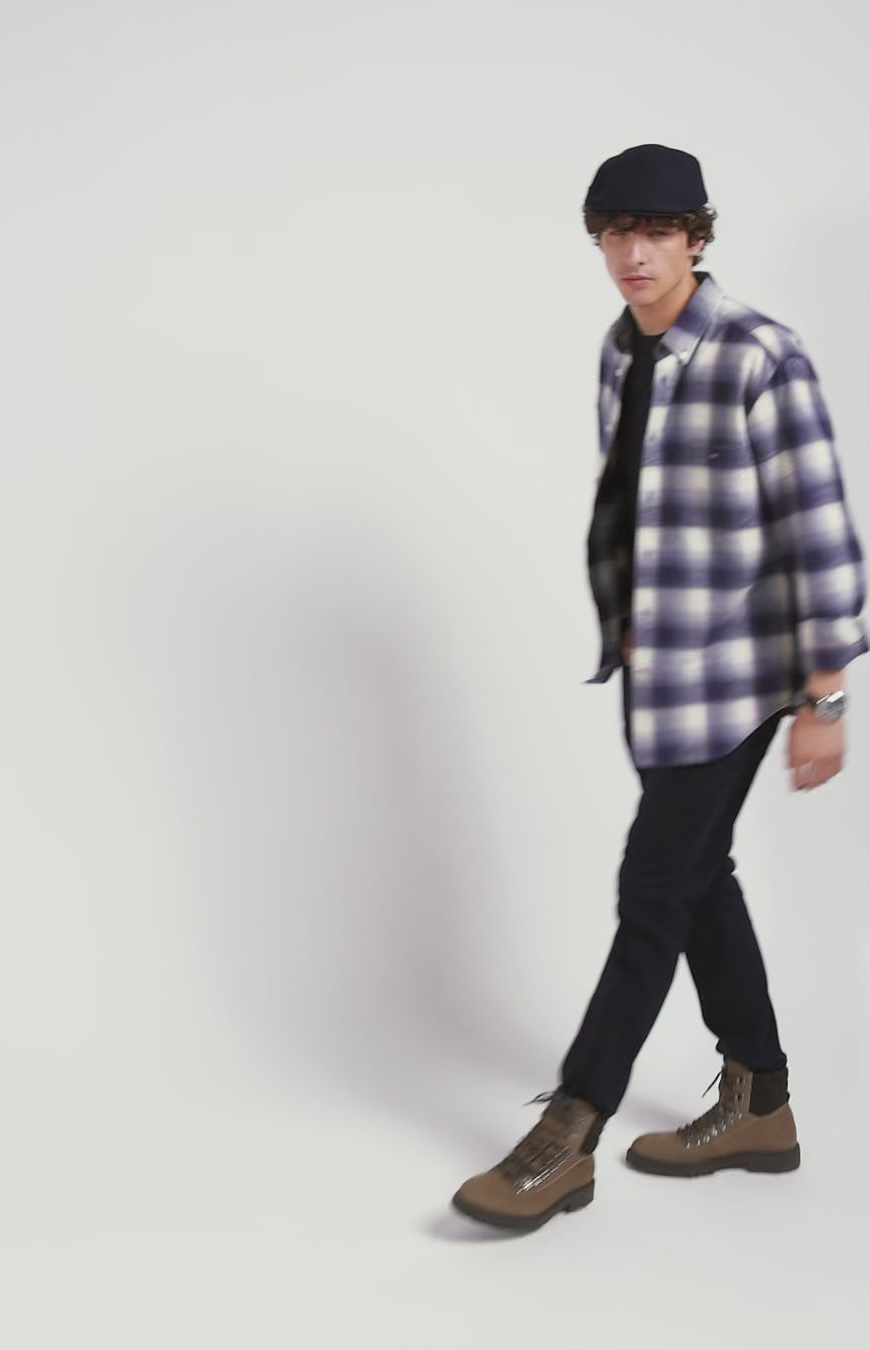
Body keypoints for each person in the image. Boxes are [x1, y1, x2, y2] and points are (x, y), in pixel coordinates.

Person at [451, 143, 869, 1233]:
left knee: (650, 895)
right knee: (696, 876)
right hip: (661, 677)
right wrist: (632, 620)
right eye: (615, 233)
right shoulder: (619, 351)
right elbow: (632, 503)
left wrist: (825, 700)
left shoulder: (760, 354)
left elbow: (820, 529)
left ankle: (569, 1132)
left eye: (657, 232)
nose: (634, 253)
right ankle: (760, 1103)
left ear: (696, 237)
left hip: (743, 678)